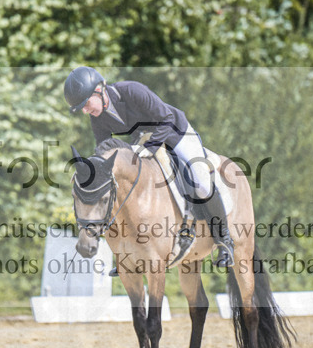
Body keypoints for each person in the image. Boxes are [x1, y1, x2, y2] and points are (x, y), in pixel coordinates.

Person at [64, 65, 234, 268]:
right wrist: (93, 174)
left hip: (176, 132)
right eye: (81, 108)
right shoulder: (97, 117)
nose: (85, 110)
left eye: (86, 103)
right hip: (143, 141)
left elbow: (167, 118)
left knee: (200, 182)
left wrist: (150, 147)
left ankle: (224, 240)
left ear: (99, 90)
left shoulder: (132, 91)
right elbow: (104, 150)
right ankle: (128, 251)